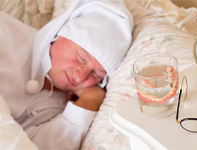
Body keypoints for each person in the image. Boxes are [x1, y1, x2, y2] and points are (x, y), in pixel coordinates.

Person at [0, 0, 133, 149]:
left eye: (96, 74)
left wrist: (89, 102)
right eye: (81, 58)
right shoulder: (5, 33)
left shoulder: (64, 107)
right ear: (59, 34)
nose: (81, 76)